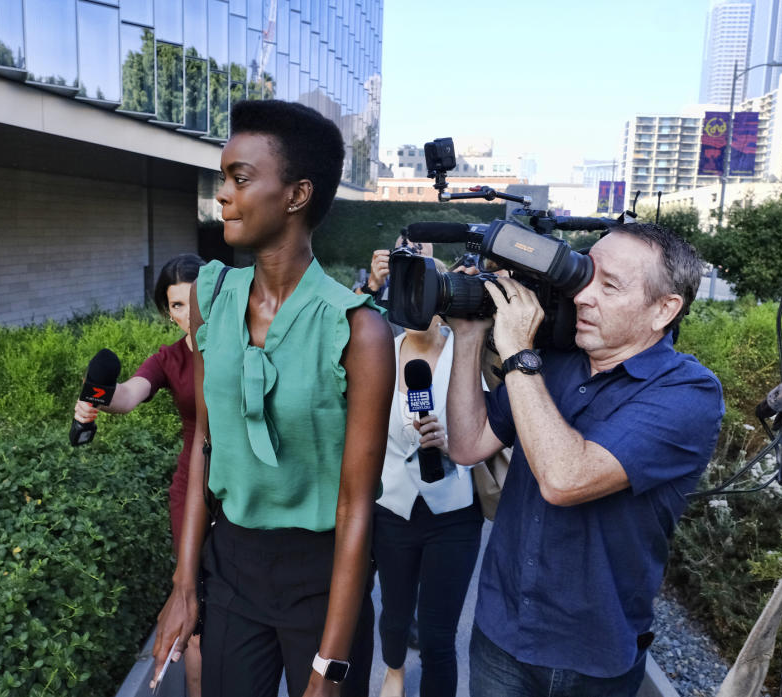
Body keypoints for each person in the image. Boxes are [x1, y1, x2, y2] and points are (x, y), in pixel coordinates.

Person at [152, 99, 393, 697]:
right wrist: (185, 584)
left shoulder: (358, 330)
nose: (223, 195)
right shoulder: (212, 293)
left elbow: (356, 506)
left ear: (296, 195)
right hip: (231, 568)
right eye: (223, 177)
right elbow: (204, 443)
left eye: (240, 178)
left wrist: (329, 668)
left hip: (323, 579)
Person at [446, 222, 724, 697]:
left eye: (609, 286)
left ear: (665, 309)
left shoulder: (688, 392)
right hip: (501, 630)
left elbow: (565, 479)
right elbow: (467, 445)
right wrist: (470, 335)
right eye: (585, 276)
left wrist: (517, 352)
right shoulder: (554, 361)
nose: (581, 296)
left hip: (591, 657)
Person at [73, 252, 206, 697]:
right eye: (177, 305)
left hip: (247, 489)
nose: (189, 314)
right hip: (192, 492)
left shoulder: (246, 346)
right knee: (197, 617)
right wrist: (96, 400)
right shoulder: (168, 359)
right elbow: (129, 394)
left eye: (195, 299)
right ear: (167, 312)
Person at [373, 258, 483, 697]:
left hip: (453, 513)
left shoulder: (471, 350)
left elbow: (493, 428)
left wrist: (454, 442)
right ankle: (394, 670)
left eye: (425, 290)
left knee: (439, 636)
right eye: (407, 292)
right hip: (393, 510)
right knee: (395, 615)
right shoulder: (381, 349)